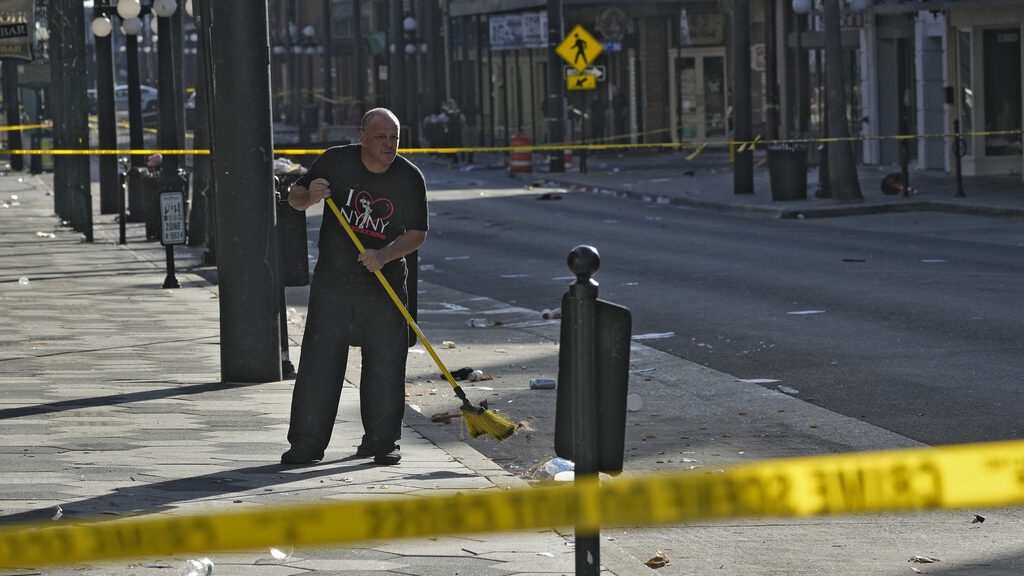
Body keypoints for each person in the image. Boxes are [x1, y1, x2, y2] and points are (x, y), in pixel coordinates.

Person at [281, 107, 428, 466]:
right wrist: (310, 195)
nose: (389, 144)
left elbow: (417, 234)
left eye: (394, 137)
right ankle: (307, 444)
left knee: (385, 366)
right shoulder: (335, 162)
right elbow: (294, 198)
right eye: (380, 137)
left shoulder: (409, 178)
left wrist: (385, 254)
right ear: (362, 138)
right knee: (320, 365)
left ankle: (382, 442)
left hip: (385, 285)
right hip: (334, 283)